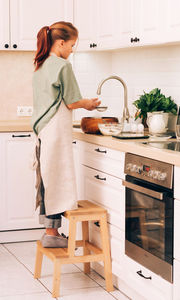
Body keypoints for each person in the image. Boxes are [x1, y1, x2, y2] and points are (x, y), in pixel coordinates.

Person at [31, 21, 100, 248]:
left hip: (42, 130)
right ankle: (52, 233)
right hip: (55, 129)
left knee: (48, 179)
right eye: (71, 45)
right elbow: (71, 102)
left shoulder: (41, 64)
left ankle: (51, 231)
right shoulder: (62, 65)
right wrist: (88, 104)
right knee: (58, 178)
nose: (72, 50)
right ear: (60, 43)